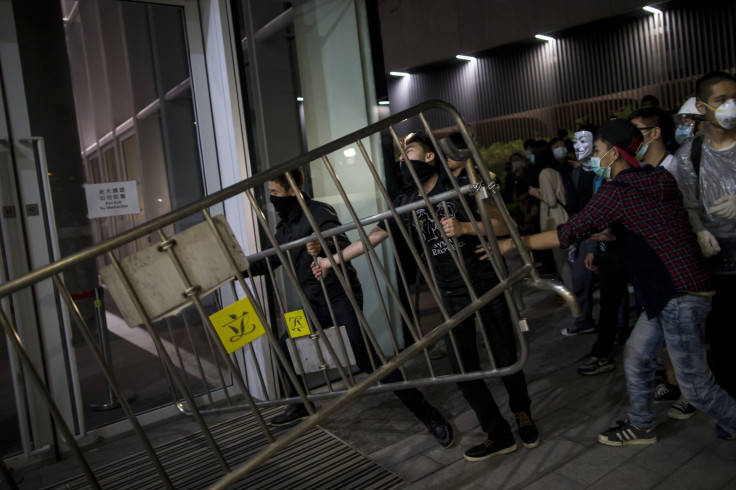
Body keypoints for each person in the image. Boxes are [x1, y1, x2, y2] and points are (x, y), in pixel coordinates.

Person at [498, 119, 736, 444]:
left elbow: (568, 231)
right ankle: (640, 424)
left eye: (597, 150)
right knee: (637, 355)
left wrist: (514, 243)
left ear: (614, 153)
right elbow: (653, 226)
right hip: (675, 289)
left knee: (696, 387)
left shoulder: (617, 191)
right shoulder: (658, 178)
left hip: (675, 292)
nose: (593, 157)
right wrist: (612, 232)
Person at [312, 131, 540, 461]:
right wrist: (331, 261)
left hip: (485, 280)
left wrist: (465, 228)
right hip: (449, 290)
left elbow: (505, 225)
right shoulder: (405, 199)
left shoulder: (459, 184)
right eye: (401, 155)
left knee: (505, 355)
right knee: (463, 367)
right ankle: (497, 432)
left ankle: (523, 414)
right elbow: (375, 235)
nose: (403, 159)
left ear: (430, 156)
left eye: (410, 150)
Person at [248, 169, 454, 447]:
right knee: (287, 346)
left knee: (369, 360)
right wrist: (233, 269)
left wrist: (320, 247)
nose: (271, 199)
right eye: (270, 193)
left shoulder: (318, 212)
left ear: (293, 189)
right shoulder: (284, 226)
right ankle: (301, 405)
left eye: (274, 193)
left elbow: (339, 242)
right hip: (313, 302)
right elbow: (268, 261)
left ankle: (428, 414)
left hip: (339, 296)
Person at [671, 72, 736, 423]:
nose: (731, 106)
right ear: (702, 106)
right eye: (722, 99)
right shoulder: (689, 155)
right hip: (717, 257)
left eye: (734, 97)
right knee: (724, 335)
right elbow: (688, 204)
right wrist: (698, 232)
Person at [562, 124, 600, 337]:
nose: (577, 146)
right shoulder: (576, 173)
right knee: (579, 280)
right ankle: (585, 320)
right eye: (575, 141)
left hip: (603, 234)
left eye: (583, 141)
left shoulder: (602, 170)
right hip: (583, 235)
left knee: (613, 285)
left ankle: (619, 329)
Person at [527, 140, 572, 290]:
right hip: (565, 215)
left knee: (562, 261)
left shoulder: (544, 172)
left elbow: (551, 201)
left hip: (555, 219)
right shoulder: (556, 167)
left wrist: (535, 193)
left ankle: (572, 293)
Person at [630, 106, 678, 170]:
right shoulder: (635, 171)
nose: (630, 136)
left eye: (635, 130)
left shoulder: (676, 168)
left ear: (655, 133)